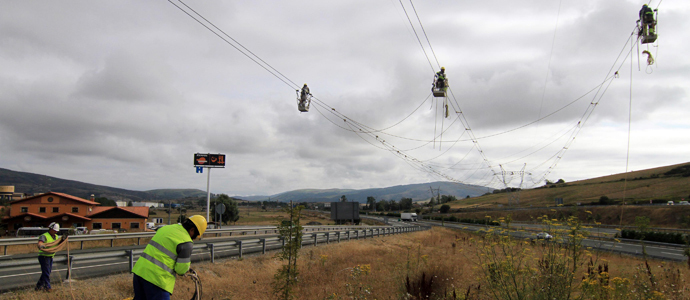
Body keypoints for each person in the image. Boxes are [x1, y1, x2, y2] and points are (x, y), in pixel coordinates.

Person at [131, 215, 207, 300]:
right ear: (192, 230)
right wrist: (186, 267)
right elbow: (181, 270)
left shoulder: (166, 228)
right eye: (195, 235)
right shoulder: (186, 242)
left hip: (139, 272)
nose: (194, 238)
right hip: (157, 279)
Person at [36, 222, 62, 292]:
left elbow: (58, 243)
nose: (56, 231)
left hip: (50, 256)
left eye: (56, 230)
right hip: (44, 256)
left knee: (47, 272)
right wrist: (41, 245)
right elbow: (40, 242)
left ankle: (38, 286)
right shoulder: (44, 236)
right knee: (46, 272)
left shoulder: (56, 236)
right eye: (54, 230)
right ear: (50, 229)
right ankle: (47, 287)